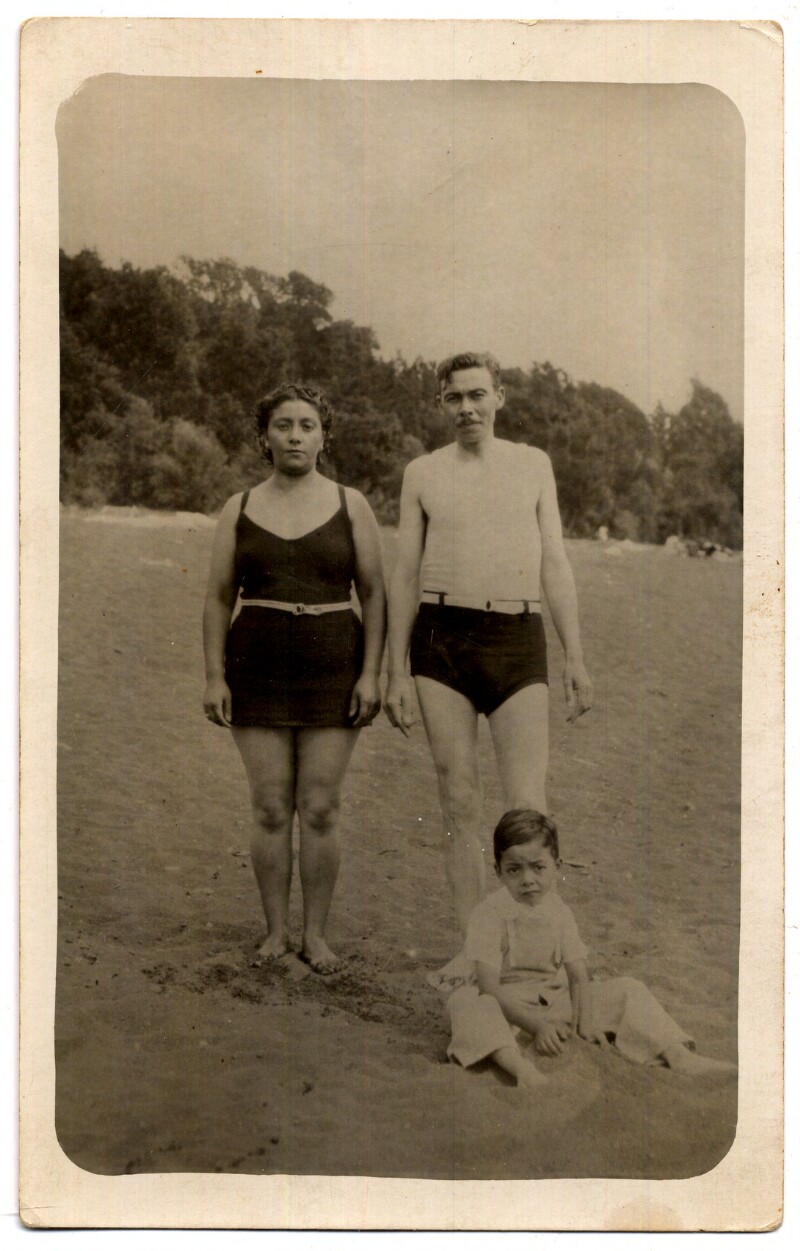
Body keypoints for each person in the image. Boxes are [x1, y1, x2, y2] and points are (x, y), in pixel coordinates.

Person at [385, 351, 592, 934]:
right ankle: (474, 946)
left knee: (527, 807)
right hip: (441, 640)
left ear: (500, 397)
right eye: (454, 397)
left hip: (516, 639)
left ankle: (534, 943)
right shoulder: (423, 472)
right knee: (458, 800)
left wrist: (575, 657)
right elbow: (405, 572)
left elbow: (555, 560)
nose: (467, 408)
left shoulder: (533, 464)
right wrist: (395, 671)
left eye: (478, 394)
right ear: (441, 404)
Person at [202, 383, 386, 975]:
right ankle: (276, 932)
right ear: (265, 438)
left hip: (333, 666)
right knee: (270, 806)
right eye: (283, 426)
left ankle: (317, 935)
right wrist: (214, 677)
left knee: (321, 807)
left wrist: (371, 674)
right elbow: (218, 596)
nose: (295, 436)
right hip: (255, 666)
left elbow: (374, 593)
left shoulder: (351, 504)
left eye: (307, 426)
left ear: (324, 436)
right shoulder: (239, 507)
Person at [429, 809, 737, 1089]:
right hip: (506, 1007)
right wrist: (537, 1027)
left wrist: (585, 1024)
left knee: (628, 989)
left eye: (538, 868)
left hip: (553, 1001)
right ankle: (520, 1069)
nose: (528, 880)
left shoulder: (559, 912)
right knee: (467, 1003)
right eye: (514, 870)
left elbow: (577, 975)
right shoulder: (488, 914)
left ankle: (678, 1055)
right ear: (498, 871)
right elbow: (490, 988)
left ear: (557, 867)